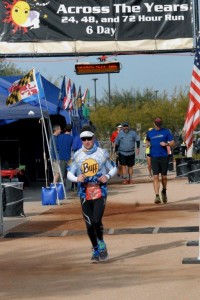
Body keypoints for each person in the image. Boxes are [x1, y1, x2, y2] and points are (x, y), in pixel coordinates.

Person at [67, 125, 117, 263]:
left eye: (89, 138)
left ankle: (101, 242)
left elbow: (114, 168)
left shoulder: (102, 153)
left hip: (100, 191)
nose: (87, 141)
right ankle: (95, 249)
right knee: (89, 224)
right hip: (84, 192)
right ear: (81, 140)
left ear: (94, 138)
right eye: (84, 139)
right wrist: (77, 178)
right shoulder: (77, 155)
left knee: (96, 220)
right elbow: (69, 172)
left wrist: (106, 176)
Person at [146, 117, 175, 204]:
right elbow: (147, 139)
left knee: (164, 177)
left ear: (161, 123)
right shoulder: (150, 132)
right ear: (154, 123)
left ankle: (164, 191)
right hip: (154, 156)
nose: (158, 124)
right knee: (155, 176)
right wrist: (147, 143)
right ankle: (157, 196)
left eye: (159, 122)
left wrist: (166, 144)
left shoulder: (166, 131)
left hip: (164, 156)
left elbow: (173, 143)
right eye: (156, 122)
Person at [57, 124, 73, 191]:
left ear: (64, 129)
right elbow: (72, 147)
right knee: (69, 173)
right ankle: (68, 187)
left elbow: (57, 147)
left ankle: (61, 187)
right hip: (69, 158)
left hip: (61, 157)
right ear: (71, 130)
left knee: (61, 173)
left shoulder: (59, 136)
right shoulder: (71, 138)